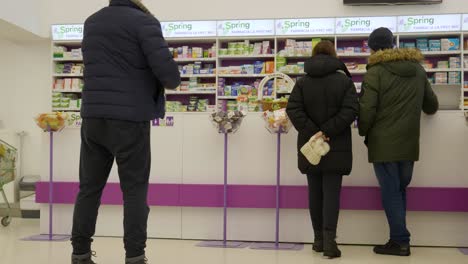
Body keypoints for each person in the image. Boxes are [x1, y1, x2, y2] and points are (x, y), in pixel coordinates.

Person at [71, 0, 180, 263]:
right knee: (134, 190)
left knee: (89, 188)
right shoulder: (144, 22)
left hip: (94, 117)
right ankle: (135, 256)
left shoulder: (92, 22)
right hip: (130, 119)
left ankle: (80, 253)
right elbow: (170, 76)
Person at [359, 27, 439, 257]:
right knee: (400, 190)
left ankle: (400, 241)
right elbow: (431, 106)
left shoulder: (375, 72)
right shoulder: (417, 69)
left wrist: (363, 131)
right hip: (409, 143)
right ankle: (399, 238)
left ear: (373, 48)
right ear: (392, 45)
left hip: (383, 144)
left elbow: (367, 109)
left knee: (391, 192)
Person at [286, 40, 359, 259]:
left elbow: (293, 108)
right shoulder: (344, 82)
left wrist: (313, 132)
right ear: (333, 55)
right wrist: (326, 131)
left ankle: (318, 239)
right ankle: (329, 242)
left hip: (310, 147)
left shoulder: (302, 82)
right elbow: (351, 110)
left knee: (314, 193)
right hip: (336, 146)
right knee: (331, 194)